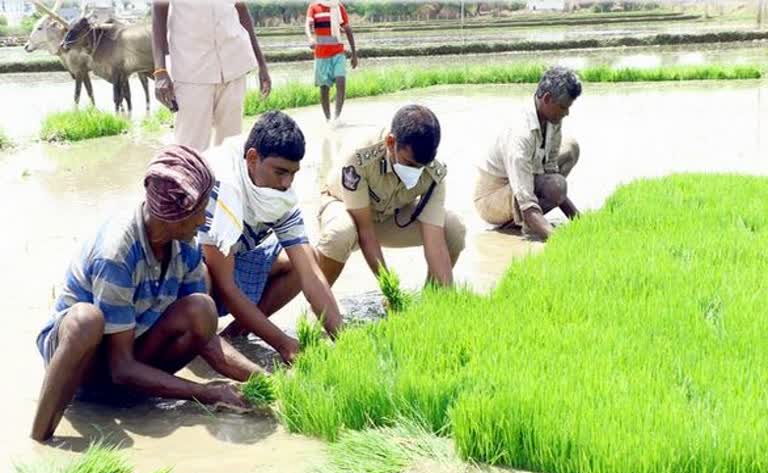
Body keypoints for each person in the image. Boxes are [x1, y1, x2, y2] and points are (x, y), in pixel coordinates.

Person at [31, 145, 260, 442]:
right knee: (86, 320)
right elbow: (121, 367)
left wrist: (266, 381)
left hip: (127, 353)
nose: (204, 221)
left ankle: (128, 399)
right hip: (86, 365)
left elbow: (207, 340)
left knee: (202, 309)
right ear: (174, 215)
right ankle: (40, 436)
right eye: (200, 212)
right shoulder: (117, 252)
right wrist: (204, 392)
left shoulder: (184, 245)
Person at [201, 111, 343, 365]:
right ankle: (205, 344)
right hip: (195, 276)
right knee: (202, 276)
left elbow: (312, 276)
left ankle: (237, 332)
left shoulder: (280, 194)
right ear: (253, 158)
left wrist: (344, 341)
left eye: (293, 173)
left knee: (306, 259)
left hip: (237, 259)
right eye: (280, 172)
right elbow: (226, 285)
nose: (287, 183)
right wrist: (283, 343)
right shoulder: (222, 186)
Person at [316, 104, 466, 288]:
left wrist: (448, 298)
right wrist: (390, 288)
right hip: (348, 213)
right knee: (339, 234)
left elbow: (434, 239)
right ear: (390, 142)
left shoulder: (434, 172)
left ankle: (433, 297)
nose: (416, 171)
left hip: (389, 217)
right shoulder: (359, 157)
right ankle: (318, 305)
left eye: (421, 166)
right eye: (409, 163)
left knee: (454, 228)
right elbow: (365, 231)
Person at [474, 66, 582, 240]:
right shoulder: (520, 133)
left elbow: (551, 170)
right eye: (563, 107)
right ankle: (525, 224)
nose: (567, 113)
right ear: (547, 99)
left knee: (570, 148)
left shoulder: (553, 118)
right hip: (492, 199)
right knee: (555, 185)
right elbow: (527, 199)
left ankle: (534, 222)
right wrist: (557, 240)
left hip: (526, 178)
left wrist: (579, 220)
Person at [152, 0, 272, 151]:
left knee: (230, 144)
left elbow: (242, 10)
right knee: (190, 147)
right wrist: (160, 70)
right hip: (191, 70)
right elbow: (158, 12)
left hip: (234, 65)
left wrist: (261, 64)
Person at [305, 0, 358, 124]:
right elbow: (308, 25)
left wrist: (354, 54)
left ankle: (337, 117)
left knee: (341, 81)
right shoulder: (314, 7)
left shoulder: (338, 7)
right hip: (321, 55)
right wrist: (310, 38)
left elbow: (347, 29)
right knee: (324, 88)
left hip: (338, 52)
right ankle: (328, 119)